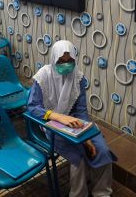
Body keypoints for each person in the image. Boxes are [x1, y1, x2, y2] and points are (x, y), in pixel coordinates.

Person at [28, 40, 116, 197]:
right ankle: (78, 194)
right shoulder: (43, 76)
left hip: (76, 122)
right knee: (79, 155)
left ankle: (102, 193)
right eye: (61, 61)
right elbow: (33, 108)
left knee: (102, 149)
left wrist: (85, 135)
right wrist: (59, 117)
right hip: (50, 123)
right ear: (54, 59)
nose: (66, 64)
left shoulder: (78, 77)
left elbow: (81, 111)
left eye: (70, 61)